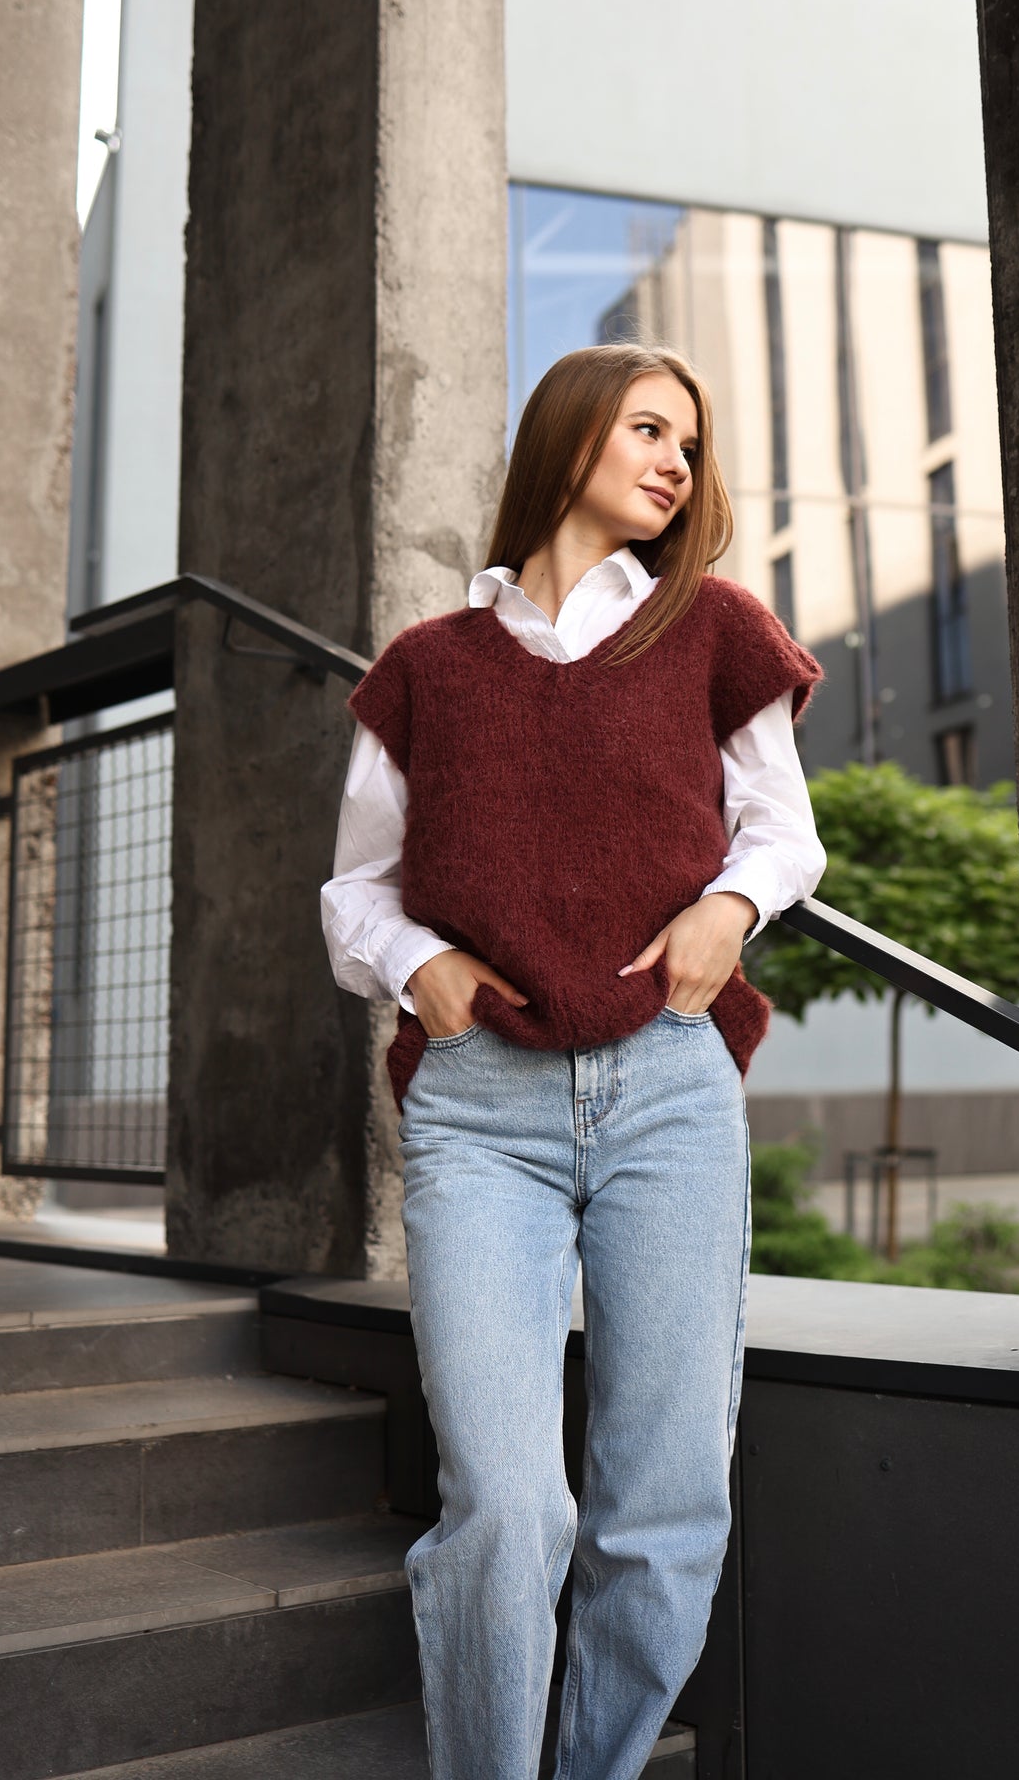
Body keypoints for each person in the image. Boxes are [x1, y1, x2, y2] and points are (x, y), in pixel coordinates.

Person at [322, 344, 825, 1780]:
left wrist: (729, 908)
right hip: (482, 1115)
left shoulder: (714, 628)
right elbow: (357, 889)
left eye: (690, 441)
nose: (675, 459)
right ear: (567, 437)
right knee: (504, 1505)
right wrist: (424, 970)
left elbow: (780, 833)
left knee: (664, 1504)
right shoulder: (426, 669)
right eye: (647, 428)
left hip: (669, 1087)